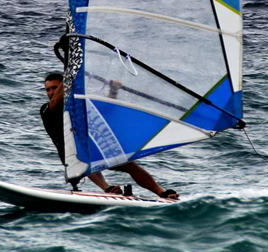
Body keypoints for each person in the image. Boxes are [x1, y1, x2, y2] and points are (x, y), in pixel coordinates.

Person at [40, 72, 179, 199]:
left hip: (97, 149)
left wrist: (113, 90)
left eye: (54, 88)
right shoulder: (47, 109)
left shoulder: (79, 105)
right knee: (83, 157)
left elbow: (106, 109)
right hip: (73, 155)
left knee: (130, 166)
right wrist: (72, 72)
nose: (51, 92)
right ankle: (107, 188)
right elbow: (57, 101)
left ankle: (161, 192)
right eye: (48, 89)